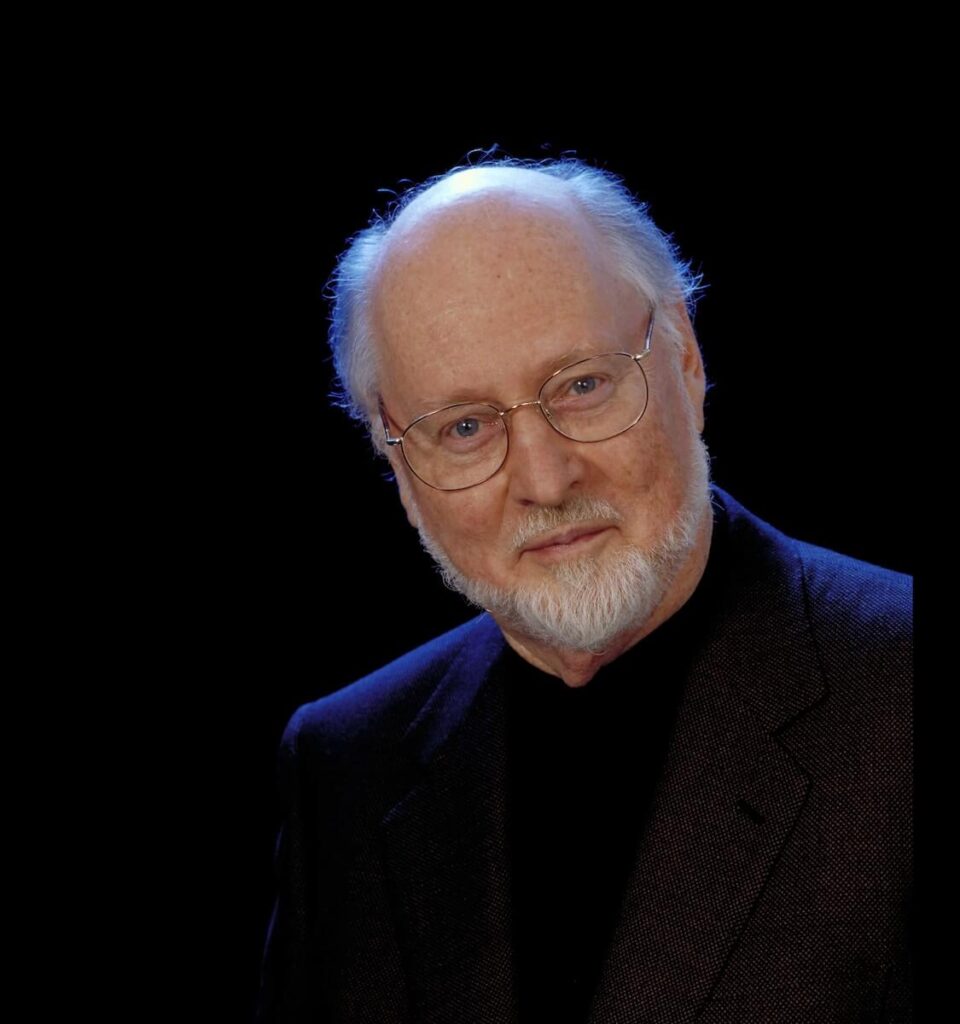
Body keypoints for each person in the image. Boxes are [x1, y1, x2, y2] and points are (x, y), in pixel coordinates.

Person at [255, 157, 912, 1023]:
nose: (545, 478)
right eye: (464, 427)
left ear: (685, 358)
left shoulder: (899, 693)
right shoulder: (346, 764)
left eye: (583, 385)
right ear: (397, 461)